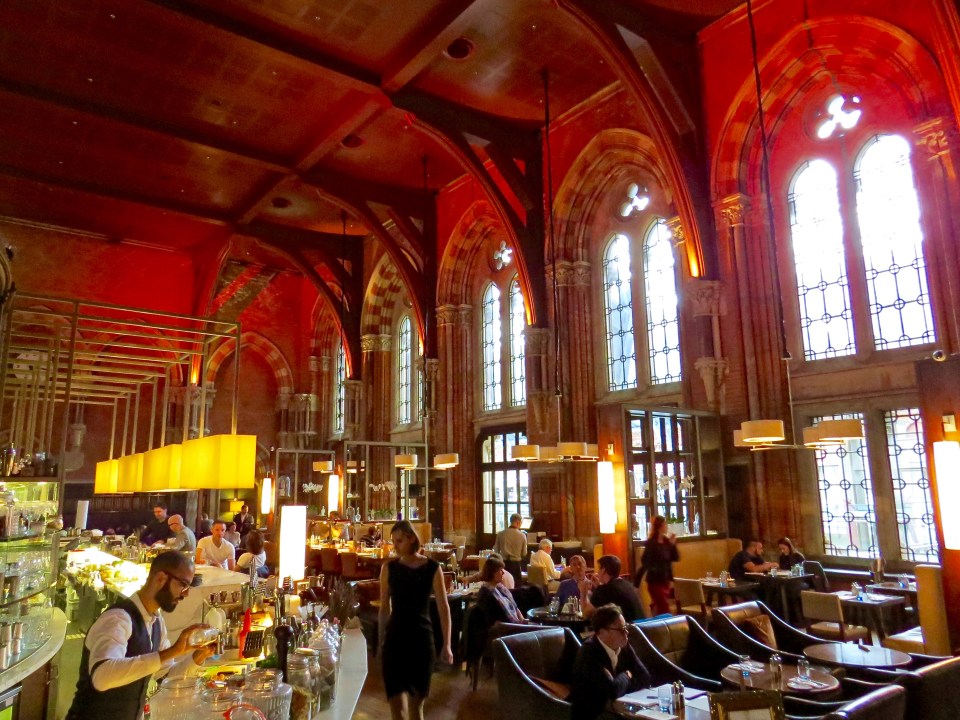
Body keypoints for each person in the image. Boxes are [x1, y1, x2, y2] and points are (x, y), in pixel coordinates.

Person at [66, 551, 217, 720]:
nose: (185, 593)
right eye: (183, 584)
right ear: (160, 578)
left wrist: (198, 656)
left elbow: (167, 677)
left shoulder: (156, 622)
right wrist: (172, 651)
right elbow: (102, 677)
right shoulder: (118, 619)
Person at [378, 520, 452, 720]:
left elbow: (443, 607)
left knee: (416, 709)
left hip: (421, 640)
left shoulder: (432, 568)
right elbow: (384, 608)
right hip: (395, 640)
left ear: (412, 538)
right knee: (396, 709)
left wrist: (447, 644)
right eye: (394, 541)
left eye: (399, 541)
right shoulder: (389, 568)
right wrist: (381, 641)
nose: (395, 546)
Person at [569, 604, 651, 720]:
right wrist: (627, 675)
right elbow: (611, 692)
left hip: (617, 710)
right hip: (593, 715)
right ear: (602, 632)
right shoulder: (589, 653)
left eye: (626, 627)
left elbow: (645, 677)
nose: (626, 632)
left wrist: (619, 684)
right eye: (621, 629)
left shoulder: (624, 646)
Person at [635, 515, 679, 615]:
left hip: (665, 581)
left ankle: (654, 620)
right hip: (654, 581)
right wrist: (636, 584)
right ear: (660, 527)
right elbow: (645, 563)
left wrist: (673, 545)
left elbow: (674, 558)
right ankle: (665, 623)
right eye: (665, 524)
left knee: (659, 608)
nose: (667, 527)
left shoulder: (667, 541)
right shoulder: (651, 543)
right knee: (664, 609)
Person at [582, 555, 644, 622]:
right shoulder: (627, 584)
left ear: (603, 570)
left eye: (599, 568)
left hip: (627, 627)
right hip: (640, 626)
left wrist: (583, 591)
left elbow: (585, 614)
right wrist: (598, 586)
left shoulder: (605, 590)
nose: (597, 572)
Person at [476, 555, 526, 624]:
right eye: (500, 570)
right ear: (492, 573)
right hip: (508, 627)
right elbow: (496, 621)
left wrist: (523, 622)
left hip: (517, 624)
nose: (503, 573)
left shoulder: (500, 588)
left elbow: (515, 607)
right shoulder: (487, 594)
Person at [493, 513, 527, 581]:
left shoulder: (500, 534)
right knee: (516, 584)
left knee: (504, 582)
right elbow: (524, 553)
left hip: (504, 563)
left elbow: (496, 550)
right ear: (518, 522)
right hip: (516, 564)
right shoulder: (522, 535)